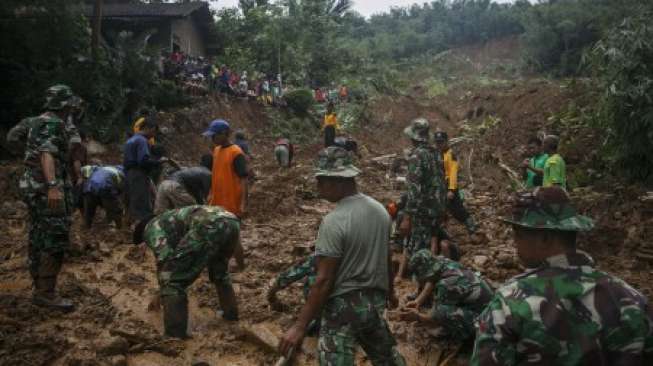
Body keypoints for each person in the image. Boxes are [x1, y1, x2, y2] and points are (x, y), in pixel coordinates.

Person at [471, 187, 653, 365]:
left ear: (544, 238)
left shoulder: (509, 303)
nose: (515, 243)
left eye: (517, 235)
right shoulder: (632, 298)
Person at [278, 147, 406, 366]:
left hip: (344, 308)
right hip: (374, 304)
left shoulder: (334, 221)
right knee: (388, 359)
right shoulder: (381, 211)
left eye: (321, 181)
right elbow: (387, 258)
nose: (318, 187)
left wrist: (299, 327)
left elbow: (324, 280)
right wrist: (391, 294)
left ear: (338, 180)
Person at [132, 205, 241, 338]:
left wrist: (163, 289)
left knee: (173, 281)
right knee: (220, 272)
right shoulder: (168, 218)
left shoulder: (151, 228)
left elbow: (164, 258)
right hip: (231, 220)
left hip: (208, 224)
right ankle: (230, 315)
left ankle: (175, 335)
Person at [19, 84, 80, 312]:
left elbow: (13, 137)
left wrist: (30, 163)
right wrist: (53, 185)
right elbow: (47, 152)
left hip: (32, 186)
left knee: (37, 234)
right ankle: (46, 293)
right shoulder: (54, 124)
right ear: (66, 104)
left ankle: (39, 286)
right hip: (47, 189)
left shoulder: (34, 121)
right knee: (55, 237)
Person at [399, 249, 493, 343]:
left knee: (442, 312)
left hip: (486, 320)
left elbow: (434, 317)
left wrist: (417, 317)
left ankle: (466, 336)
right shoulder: (443, 262)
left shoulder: (446, 284)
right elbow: (432, 279)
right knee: (440, 303)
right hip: (485, 306)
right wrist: (418, 301)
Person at [399, 118, 447, 257]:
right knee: (431, 241)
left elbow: (414, 189)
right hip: (438, 208)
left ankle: (421, 275)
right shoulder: (436, 153)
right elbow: (441, 181)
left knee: (419, 250)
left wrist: (407, 218)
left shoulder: (417, 156)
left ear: (414, 137)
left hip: (423, 211)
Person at [434, 131, 477, 234]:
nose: (439, 144)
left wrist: (451, 189)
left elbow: (453, 173)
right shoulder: (437, 154)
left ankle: (470, 223)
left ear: (446, 142)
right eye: (437, 142)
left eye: (441, 142)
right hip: (440, 185)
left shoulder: (450, 155)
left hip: (449, 184)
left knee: (456, 208)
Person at [123, 117, 162, 222]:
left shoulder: (130, 140)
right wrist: (158, 162)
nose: (153, 135)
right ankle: (143, 230)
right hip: (138, 174)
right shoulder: (142, 141)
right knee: (142, 204)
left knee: (133, 202)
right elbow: (143, 160)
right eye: (154, 132)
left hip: (128, 174)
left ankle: (131, 227)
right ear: (150, 128)